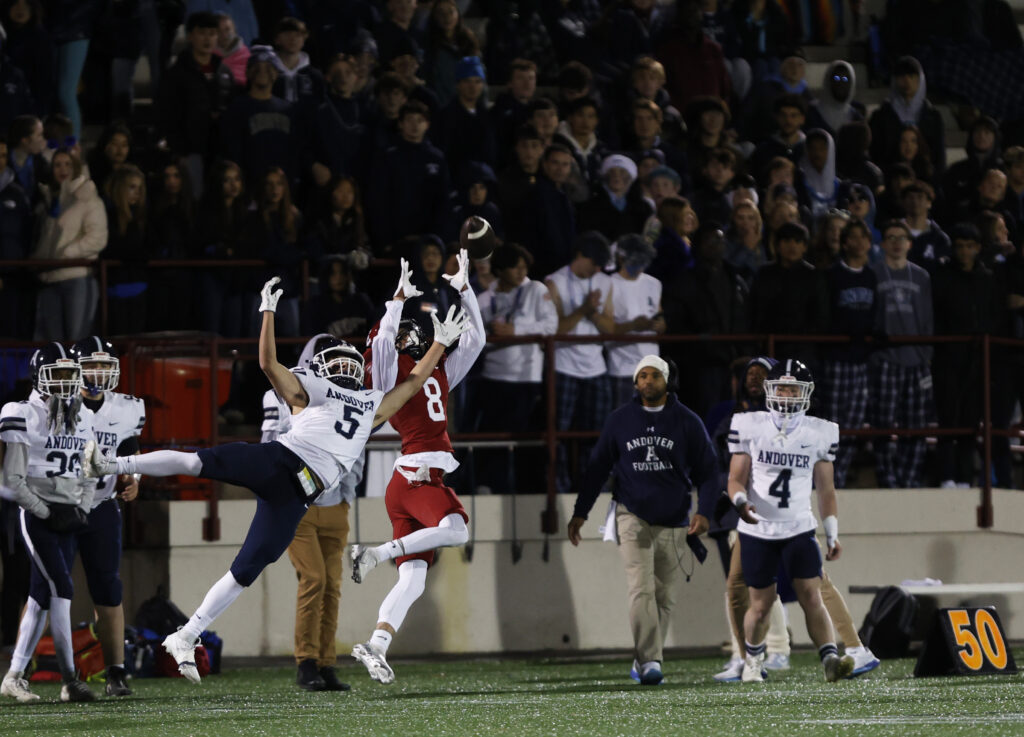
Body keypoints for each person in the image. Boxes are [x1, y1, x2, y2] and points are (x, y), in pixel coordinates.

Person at [82, 276, 473, 684]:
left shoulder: (373, 402)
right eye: (336, 363)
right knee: (195, 462)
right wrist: (267, 313)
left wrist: (439, 346)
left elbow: (411, 386)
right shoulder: (313, 390)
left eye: (349, 363)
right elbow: (268, 364)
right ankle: (110, 464)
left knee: (245, 570)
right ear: (320, 368)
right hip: (278, 461)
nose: (343, 368)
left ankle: (185, 635)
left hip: (298, 496)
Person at [349, 250, 484, 684]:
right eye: (404, 332)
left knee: (414, 580)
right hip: (415, 473)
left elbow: (477, 341)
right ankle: (374, 553)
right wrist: (394, 302)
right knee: (459, 529)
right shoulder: (391, 376)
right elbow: (382, 346)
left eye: (412, 331)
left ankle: (376, 645)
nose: (410, 336)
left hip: (411, 479)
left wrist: (465, 289)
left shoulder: (438, 366)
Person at [568, 355, 718, 685]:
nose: (648, 381)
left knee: (665, 597)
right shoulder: (620, 420)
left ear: (667, 381)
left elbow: (709, 472)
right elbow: (597, 469)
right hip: (631, 514)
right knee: (641, 589)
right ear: (635, 383)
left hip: (676, 519)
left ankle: (645, 658)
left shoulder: (687, 421)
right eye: (642, 376)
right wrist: (581, 512)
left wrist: (704, 512)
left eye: (654, 376)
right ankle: (651, 661)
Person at [726, 359, 856, 683]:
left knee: (812, 595)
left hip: (798, 526)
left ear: (805, 392)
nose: (785, 394)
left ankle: (829, 658)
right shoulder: (750, 424)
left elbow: (826, 489)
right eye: (780, 387)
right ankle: (753, 662)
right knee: (761, 604)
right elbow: (735, 479)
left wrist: (832, 532)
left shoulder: (819, 432)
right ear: (770, 389)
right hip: (759, 527)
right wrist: (741, 503)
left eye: (791, 388)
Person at [261, 334, 361, 691]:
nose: (342, 371)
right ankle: (306, 662)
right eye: (333, 363)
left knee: (332, 586)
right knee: (314, 579)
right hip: (299, 507)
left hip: (335, 505)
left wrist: (346, 496)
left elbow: (355, 454)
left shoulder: (352, 397)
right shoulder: (284, 394)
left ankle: (326, 662)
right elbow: (270, 447)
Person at [1, 343, 98, 702]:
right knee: (62, 588)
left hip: (68, 515)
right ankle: (71, 679)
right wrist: (45, 512)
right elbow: (12, 480)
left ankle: (13, 675)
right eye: (55, 374)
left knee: (40, 597)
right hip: (38, 514)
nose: (63, 382)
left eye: (68, 374)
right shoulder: (20, 411)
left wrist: (82, 508)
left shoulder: (83, 414)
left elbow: (91, 469)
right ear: (38, 378)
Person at [476, 244, 558, 494]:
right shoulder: (483, 299)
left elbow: (551, 326)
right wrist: (492, 336)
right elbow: (471, 341)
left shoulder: (536, 290)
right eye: (516, 266)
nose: (522, 271)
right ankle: (491, 488)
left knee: (526, 441)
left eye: (525, 266)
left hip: (526, 379)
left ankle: (528, 492)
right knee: (493, 441)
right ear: (500, 270)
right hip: (492, 378)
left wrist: (515, 331)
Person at [546, 233, 615, 496]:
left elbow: (610, 328)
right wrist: (582, 310)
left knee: (597, 434)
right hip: (563, 366)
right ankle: (560, 486)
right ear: (581, 256)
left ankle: (592, 485)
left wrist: (593, 313)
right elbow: (552, 330)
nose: (597, 269)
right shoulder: (555, 282)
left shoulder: (604, 282)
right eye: (594, 263)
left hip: (597, 367)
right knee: (559, 434)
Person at [870, 220, 934, 488]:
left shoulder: (921, 276)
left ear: (910, 243)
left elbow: (928, 319)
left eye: (901, 238)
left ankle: (908, 479)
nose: (896, 243)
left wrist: (925, 355)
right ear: (883, 243)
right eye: (891, 237)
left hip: (916, 361)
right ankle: (888, 478)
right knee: (882, 424)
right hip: (885, 361)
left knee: (916, 425)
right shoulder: (873, 272)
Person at [608, 235, 665, 407]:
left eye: (644, 261)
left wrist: (661, 324)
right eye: (636, 261)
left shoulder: (654, 284)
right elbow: (605, 327)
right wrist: (633, 325)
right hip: (623, 369)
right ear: (621, 258)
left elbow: (659, 313)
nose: (640, 266)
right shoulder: (609, 284)